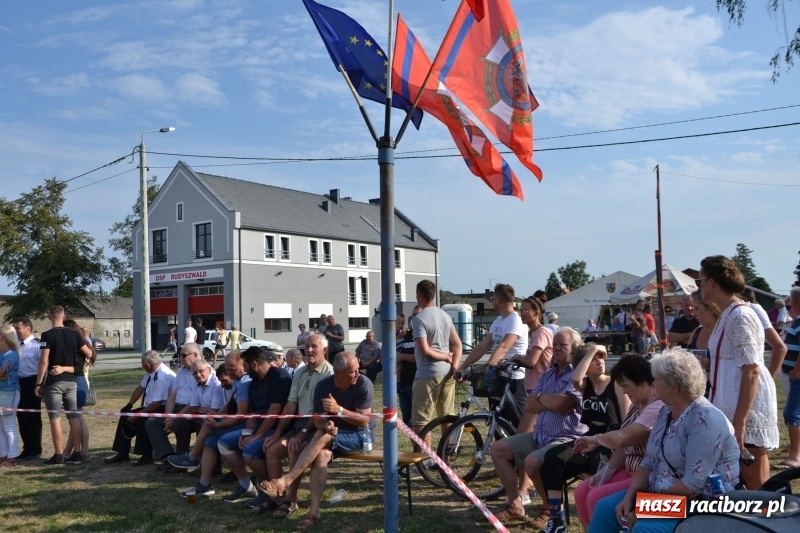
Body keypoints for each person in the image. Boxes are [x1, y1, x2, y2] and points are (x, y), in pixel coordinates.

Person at [589, 349, 740, 533]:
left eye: (657, 379)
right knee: (604, 509)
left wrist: (646, 508)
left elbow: (693, 484)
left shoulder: (704, 418)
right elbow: (648, 460)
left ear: (674, 385)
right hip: (662, 494)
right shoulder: (666, 411)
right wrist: (630, 497)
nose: (652, 383)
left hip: (701, 500)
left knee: (645, 528)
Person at [258, 352, 374, 530]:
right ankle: (314, 512)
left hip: (359, 436)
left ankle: (286, 481)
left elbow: (364, 420)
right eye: (353, 371)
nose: (358, 374)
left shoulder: (363, 384)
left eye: (358, 370)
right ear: (339, 373)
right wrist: (326, 424)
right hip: (332, 435)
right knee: (321, 455)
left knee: (321, 436)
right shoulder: (323, 386)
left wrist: (339, 410)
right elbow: (318, 420)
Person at [490, 329, 587, 529]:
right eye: (555, 345)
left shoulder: (578, 373)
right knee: (498, 449)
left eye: (563, 345)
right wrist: (550, 400)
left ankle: (550, 511)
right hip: (540, 436)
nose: (557, 349)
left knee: (532, 462)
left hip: (567, 439)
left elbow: (563, 403)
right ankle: (516, 504)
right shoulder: (550, 372)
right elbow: (530, 405)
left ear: (575, 349)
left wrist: (544, 398)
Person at [530, 343, 630, 533]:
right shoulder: (585, 387)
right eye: (593, 359)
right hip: (589, 438)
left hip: (610, 440)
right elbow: (576, 376)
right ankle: (556, 520)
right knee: (552, 457)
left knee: (594, 462)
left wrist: (595, 350)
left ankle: (599, 521)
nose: (599, 361)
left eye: (601, 357)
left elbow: (626, 423)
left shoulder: (615, 384)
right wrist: (592, 349)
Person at [699, 255, 779, 489]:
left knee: (753, 476)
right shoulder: (728, 313)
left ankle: (764, 520)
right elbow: (732, 361)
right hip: (732, 404)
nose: (700, 286)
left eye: (700, 281)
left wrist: (741, 422)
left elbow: (752, 370)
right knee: (741, 475)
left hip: (745, 407)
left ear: (712, 282)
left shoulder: (740, 316)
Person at [573, 355, 663, 530]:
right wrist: (606, 472)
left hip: (646, 475)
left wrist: (596, 439)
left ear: (643, 381)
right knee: (581, 490)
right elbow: (624, 447)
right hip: (630, 469)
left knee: (595, 497)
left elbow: (624, 438)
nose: (623, 392)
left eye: (626, 386)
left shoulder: (657, 406)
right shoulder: (636, 404)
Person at [259, 334, 334, 518]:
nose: (309, 350)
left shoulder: (329, 374)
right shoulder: (300, 372)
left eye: (314, 346)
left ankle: (291, 501)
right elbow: (291, 404)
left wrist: (300, 435)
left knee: (295, 448)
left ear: (324, 350)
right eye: (307, 346)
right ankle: (277, 497)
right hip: (299, 423)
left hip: (318, 425)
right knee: (272, 449)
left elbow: (318, 412)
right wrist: (277, 433)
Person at [168, 350, 251, 495]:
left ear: (244, 365)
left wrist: (218, 423)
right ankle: (204, 484)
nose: (229, 372)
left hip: (249, 427)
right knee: (210, 442)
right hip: (238, 422)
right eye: (227, 368)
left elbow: (241, 416)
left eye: (232, 369)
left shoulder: (244, 383)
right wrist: (217, 416)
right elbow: (229, 405)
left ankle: (192, 458)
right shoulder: (238, 381)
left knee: (207, 425)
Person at [217, 346, 291, 504]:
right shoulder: (254, 382)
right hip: (259, 429)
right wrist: (246, 433)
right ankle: (251, 487)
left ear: (255, 364)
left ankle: (270, 492)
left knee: (249, 452)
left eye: (246, 366)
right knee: (224, 443)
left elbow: (275, 411)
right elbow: (252, 414)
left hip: (276, 429)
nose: (244, 370)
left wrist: (256, 436)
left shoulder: (279, 376)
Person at [35, 306, 93, 466]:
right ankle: (77, 453)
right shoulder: (74, 334)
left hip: (54, 381)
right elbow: (88, 353)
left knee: (55, 419)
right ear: (64, 316)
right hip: (72, 381)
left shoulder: (47, 335)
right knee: (74, 417)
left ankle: (59, 454)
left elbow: (44, 360)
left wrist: (39, 382)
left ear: (49, 317)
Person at [459, 283, 528, 412]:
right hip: (498, 376)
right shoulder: (498, 320)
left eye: (493, 299)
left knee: (516, 421)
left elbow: (504, 347)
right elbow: (483, 345)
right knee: (496, 418)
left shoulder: (515, 320)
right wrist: (462, 367)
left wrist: (488, 367)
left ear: (498, 300)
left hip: (513, 377)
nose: (492, 302)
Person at [411, 280, 462, 447]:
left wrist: (445, 357)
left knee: (421, 419)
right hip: (447, 373)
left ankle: (424, 461)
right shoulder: (445, 315)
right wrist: (454, 365)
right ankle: (444, 459)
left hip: (427, 374)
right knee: (446, 416)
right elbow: (457, 344)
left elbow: (425, 350)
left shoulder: (419, 319)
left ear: (419, 294)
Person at [105, 350, 176, 465]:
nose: (141, 365)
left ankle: (146, 456)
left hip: (164, 408)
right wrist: (129, 405)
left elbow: (156, 404)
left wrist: (137, 415)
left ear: (147, 365)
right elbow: (141, 388)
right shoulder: (152, 372)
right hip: (152, 406)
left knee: (144, 419)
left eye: (142, 363)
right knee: (125, 415)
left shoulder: (162, 377)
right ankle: (122, 453)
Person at [145, 342, 200, 464]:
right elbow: (172, 395)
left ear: (195, 355)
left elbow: (195, 402)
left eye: (184, 355)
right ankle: (168, 457)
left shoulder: (201, 371)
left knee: (179, 423)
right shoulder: (181, 371)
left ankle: (181, 460)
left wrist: (175, 417)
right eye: (180, 355)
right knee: (152, 422)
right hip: (177, 409)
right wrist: (168, 416)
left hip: (192, 410)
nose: (181, 358)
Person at [61, 319, 97, 464]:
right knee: (78, 418)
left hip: (76, 380)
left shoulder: (76, 346)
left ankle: (77, 451)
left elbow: (78, 365)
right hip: (80, 381)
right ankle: (80, 451)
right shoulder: (82, 344)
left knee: (76, 419)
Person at [516, 297, 554, 433]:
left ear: (536, 313)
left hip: (540, 388)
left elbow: (531, 361)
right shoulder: (534, 333)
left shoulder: (541, 332)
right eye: (520, 311)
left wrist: (516, 357)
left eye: (525, 311)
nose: (521, 314)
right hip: (534, 388)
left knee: (523, 434)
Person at [739, 288, 787, 378]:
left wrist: (769, 378)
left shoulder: (755, 309)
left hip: (753, 374)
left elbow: (780, 347)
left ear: (745, 299)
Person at [13, 316, 43, 461]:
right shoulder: (17, 345)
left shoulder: (37, 345)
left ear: (27, 328)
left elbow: (43, 365)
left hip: (32, 382)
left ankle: (35, 449)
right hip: (18, 383)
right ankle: (26, 448)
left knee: (32, 418)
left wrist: (40, 384)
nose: (16, 331)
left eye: (18, 328)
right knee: (21, 417)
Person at [778, 287, 800, 469]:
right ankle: (795, 447)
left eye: (789, 303)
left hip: (797, 375)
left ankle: (795, 456)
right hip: (794, 374)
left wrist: (796, 370)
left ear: (795, 302)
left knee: (791, 414)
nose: (788, 307)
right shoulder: (796, 321)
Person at [0, 324, 21, 467]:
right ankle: (3, 454)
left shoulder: (11, 354)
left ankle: (12, 457)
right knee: (0, 427)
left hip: (9, 391)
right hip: (2, 391)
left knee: (8, 426)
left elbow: (1, 372)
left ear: (4, 337)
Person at [397, 306, 420, 427]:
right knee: (407, 421)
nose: (414, 319)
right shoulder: (406, 335)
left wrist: (401, 356)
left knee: (418, 421)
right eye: (413, 316)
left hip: (417, 383)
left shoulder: (424, 336)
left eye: (417, 315)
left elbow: (418, 358)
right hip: (403, 384)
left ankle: (421, 446)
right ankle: (415, 446)